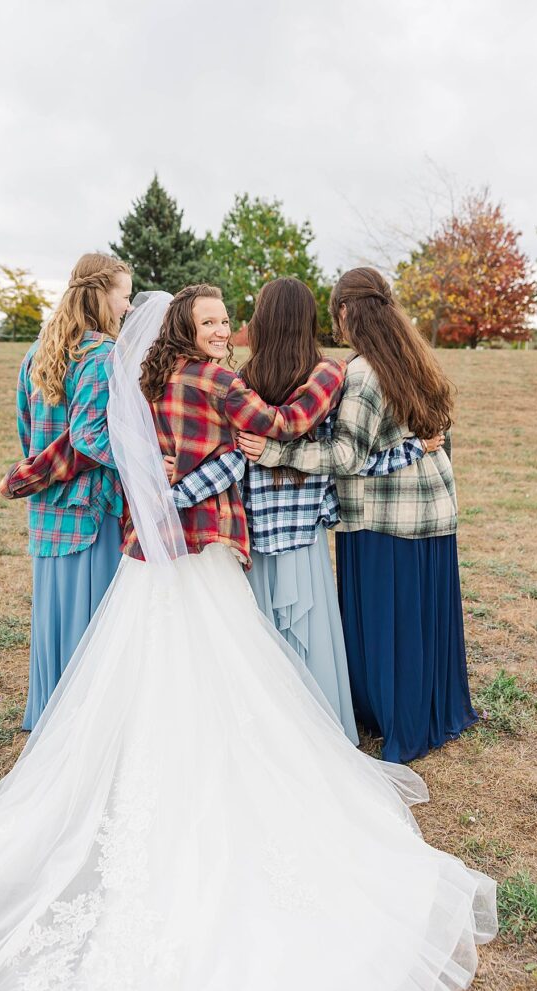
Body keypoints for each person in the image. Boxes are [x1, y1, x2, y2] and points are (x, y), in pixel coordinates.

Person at [0, 289, 495, 991]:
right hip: (204, 551)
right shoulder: (216, 381)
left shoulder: (142, 381)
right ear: (185, 327)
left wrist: (84, 481)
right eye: (210, 321)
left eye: (225, 321)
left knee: (147, 667)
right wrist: (327, 379)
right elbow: (273, 430)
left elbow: (102, 448)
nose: (222, 331)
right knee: (227, 665)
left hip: (148, 560)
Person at [169, 278, 443, 744]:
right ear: (307, 321)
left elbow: (226, 458)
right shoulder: (327, 377)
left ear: (262, 321)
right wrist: (412, 449)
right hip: (304, 535)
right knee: (309, 636)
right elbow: (349, 460)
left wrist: (176, 482)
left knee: (260, 639)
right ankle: (319, 735)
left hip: (254, 535)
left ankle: (270, 735)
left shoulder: (241, 382)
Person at [239, 267, 477, 764]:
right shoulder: (412, 356)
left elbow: (346, 454)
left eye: (336, 314)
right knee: (423, 622)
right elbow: (438, 433)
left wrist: (277, 452)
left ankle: (401, 722)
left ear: (346, 311)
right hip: (434, 508)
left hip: (385, 515)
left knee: (392, 627)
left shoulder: (364, 374)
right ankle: (435, 712)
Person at [15, 252, 131, 730]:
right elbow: (90, 438)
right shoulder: (101, 353)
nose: (128, 306)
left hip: (47, 509)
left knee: (55, 611)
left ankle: (51, 712)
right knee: (92, 618)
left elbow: (26, 430)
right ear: (102, 295)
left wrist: (41, 473)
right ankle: (84, 725)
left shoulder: (37, 350)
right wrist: (141, 461)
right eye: (124, 296)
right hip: (90, 511)